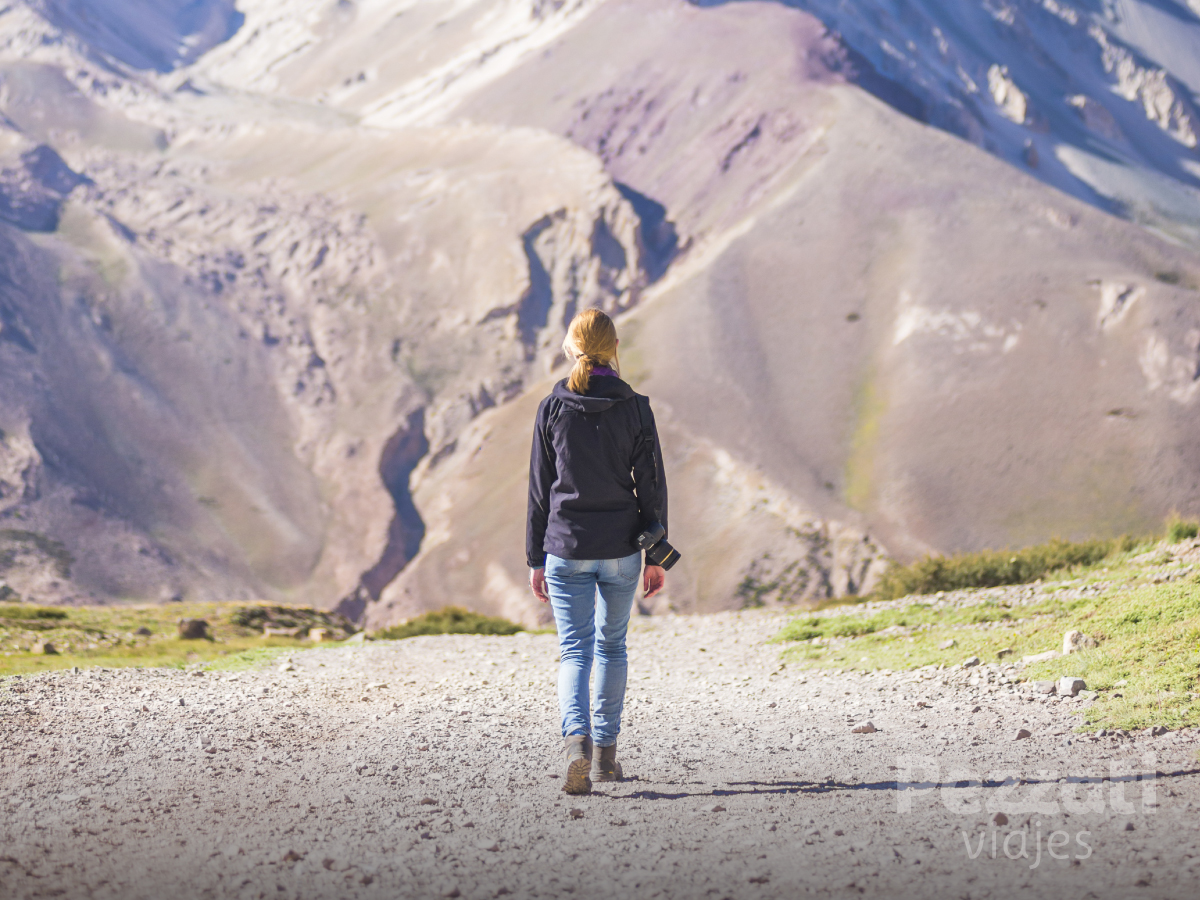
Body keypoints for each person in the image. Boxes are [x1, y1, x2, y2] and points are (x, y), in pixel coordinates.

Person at [526, 308, 668, 795]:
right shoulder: (636, 407)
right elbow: (651, 485)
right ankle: (606, 758)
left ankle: (576, 747)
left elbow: (539, 490)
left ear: (571, 347)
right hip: (622, 548)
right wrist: (655, 554)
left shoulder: (552, 407)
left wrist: (535, 559)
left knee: (574, 651)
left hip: (565, 546)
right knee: (612, 647)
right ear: (614, 348)